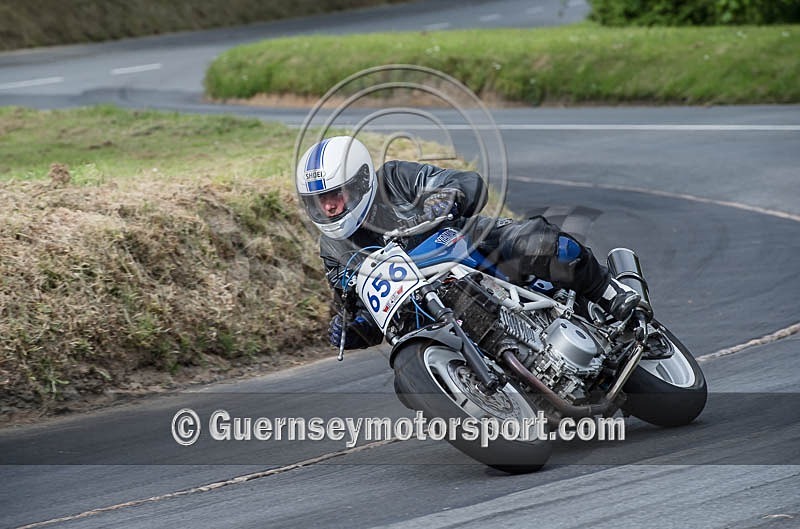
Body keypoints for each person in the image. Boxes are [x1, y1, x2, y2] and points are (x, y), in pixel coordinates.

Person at [295, 136, 640, 349]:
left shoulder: (394, 180)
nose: (328, 207)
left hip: (470, 247)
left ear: (358, 183)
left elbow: (459, 180)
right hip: (427, 307)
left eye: (334, 195)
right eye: (318, 200)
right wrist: (352, 330)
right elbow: (361, 308)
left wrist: (447, 196)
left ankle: (611, 295)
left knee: (541, 245)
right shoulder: (333, 250)